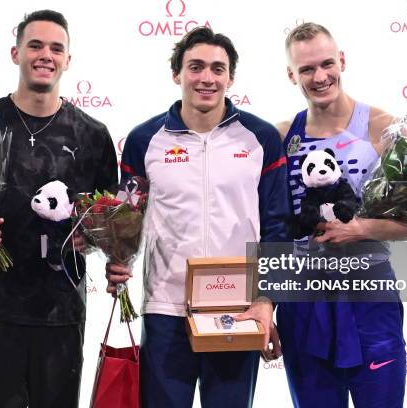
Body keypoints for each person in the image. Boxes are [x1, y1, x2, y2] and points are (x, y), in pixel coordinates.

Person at [0, 10, 118, 408]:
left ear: (68, 60)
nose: (45, 55)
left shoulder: (94, 136)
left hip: (62, 312)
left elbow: (110, 225)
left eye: (56, 48)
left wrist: (103, 244)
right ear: (16, 53)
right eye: (35, 45)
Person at [107, 27, 287, 408]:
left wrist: (267, 299)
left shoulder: (261, 138)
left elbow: (278, 225)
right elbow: (127, 219)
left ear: (231, 78)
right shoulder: (144, 139)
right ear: (177, 73)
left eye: (218, 69)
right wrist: (118, 259)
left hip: (238, 311)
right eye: (196, 67)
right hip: (166, 310)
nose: (207, 78)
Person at [275, 22, 407, 408]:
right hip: (302, 304)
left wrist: (360, 228)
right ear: (291, 75)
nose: (320, 76)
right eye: (307, 69)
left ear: (342, 61)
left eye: (327, 64)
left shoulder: (388, 131)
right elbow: (272, 230)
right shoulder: (280, 137)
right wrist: (264, 304)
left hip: (369, 301)